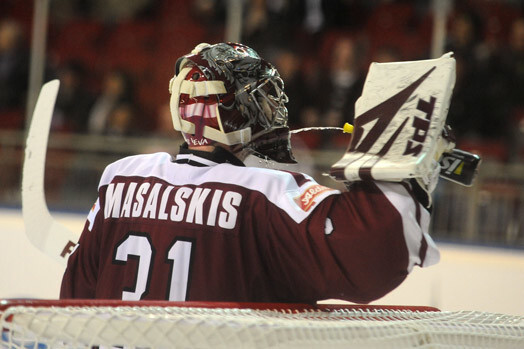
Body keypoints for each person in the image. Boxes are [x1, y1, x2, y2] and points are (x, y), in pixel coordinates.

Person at [60, 42, 441, 304]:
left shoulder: (121, 179)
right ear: (228, 114)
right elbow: (377, 247)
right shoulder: (263, 193)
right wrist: (400, 157)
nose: (274, 112)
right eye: (259, 100)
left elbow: (76, 299)